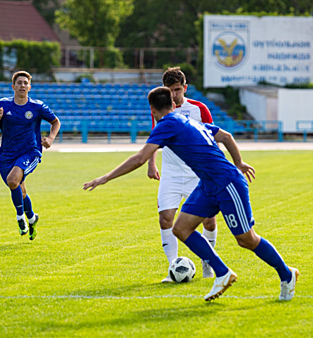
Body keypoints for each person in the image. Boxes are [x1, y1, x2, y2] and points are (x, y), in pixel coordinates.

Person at [83, 87, 299, 301]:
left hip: (227, 182)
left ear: (152, 109)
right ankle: (222, 273)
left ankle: (287, 274)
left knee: (246, 239)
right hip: (208, 185)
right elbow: (225, 135)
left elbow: (140, 158)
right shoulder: (190, 122)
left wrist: (105, 178)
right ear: (174, 104)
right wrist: (239, 161)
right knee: (181, 228)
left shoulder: (166, 124)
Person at [147, 67, 218, 282]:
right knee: (165, 218)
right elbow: (154, 139)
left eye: (177, 89)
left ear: (185, 88)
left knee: (209, 221)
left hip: (197, 174)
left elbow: (212, 139)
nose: (174, 95)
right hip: (171, 174)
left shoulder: (199, 109)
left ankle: (208, 262)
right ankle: (173, 268)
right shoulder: (160, 110)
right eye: (170, 90)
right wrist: (151, 164)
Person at [0, 71, 61, 240]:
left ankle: (20, 218)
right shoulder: (2, 105)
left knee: (13, 181)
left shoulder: (37, 106)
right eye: (19, 83)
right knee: (20, 190)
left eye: (25, 83)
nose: (22, 85)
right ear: (13, 86)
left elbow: (56, 122)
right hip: (6, 155)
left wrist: (50, 138)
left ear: (29, 87)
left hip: (30, 152)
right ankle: (32, 218)